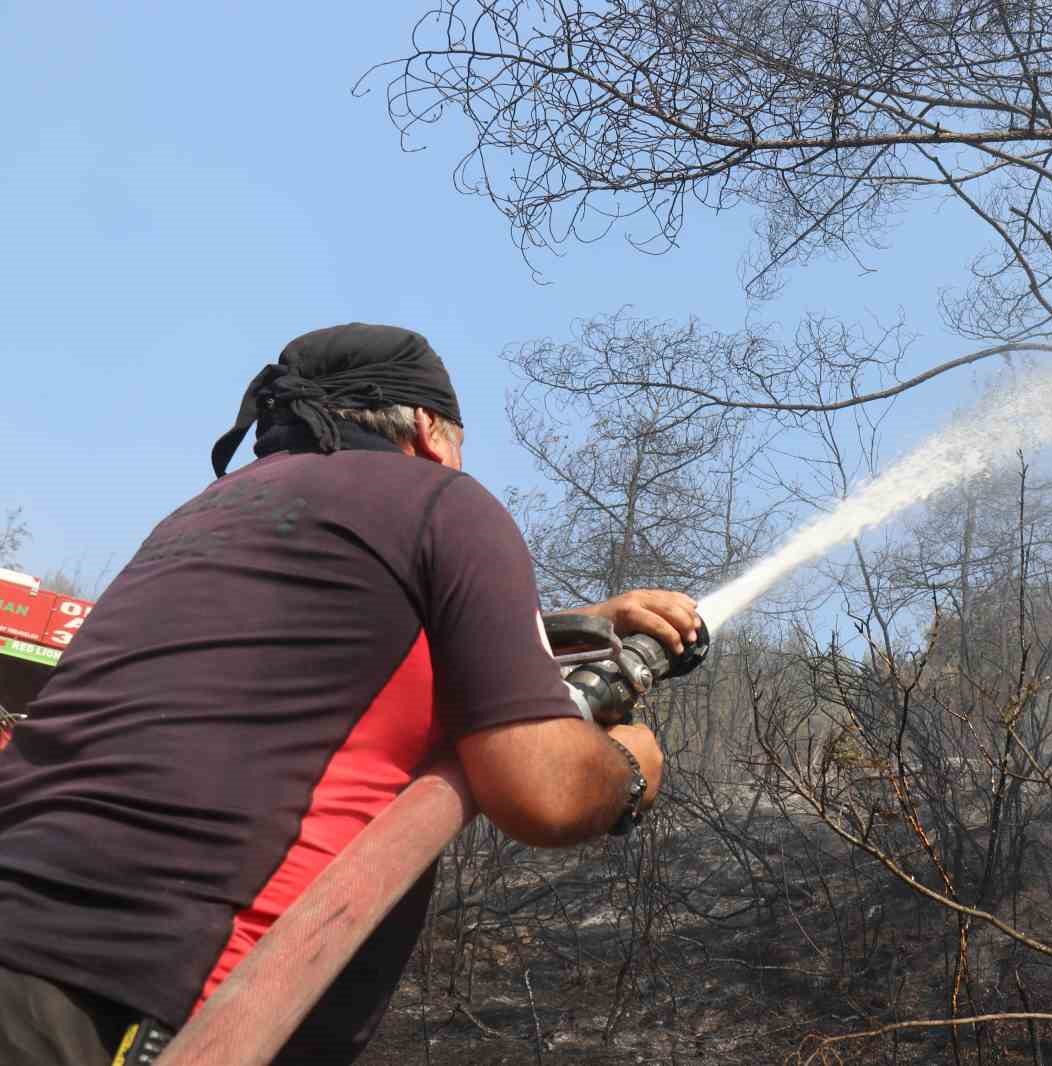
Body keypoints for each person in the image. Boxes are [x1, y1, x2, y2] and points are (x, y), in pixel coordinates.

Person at [0, 323, 697, 1065]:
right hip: (164, 999)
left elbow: (345, 657)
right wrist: (627, 770)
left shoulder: (204, 517)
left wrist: (568, 629)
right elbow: (542, 791)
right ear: (429, 429)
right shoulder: (444, 501)